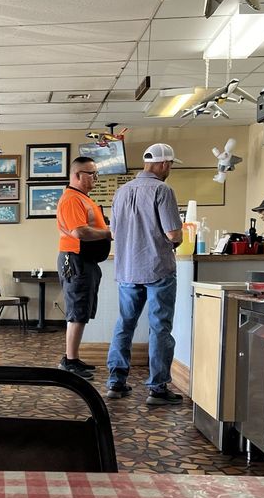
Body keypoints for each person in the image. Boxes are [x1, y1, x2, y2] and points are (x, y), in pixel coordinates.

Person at [105, 144, 185, 405]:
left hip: (127, 270)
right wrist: (178, 239)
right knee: (159, 327)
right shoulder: (163, 190)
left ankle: (116, 382)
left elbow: (114, 233)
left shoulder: (121, 191)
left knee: (125, 324)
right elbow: (173, 233)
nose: (169, 169)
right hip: (157, 268)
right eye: (170, 165)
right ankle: (157, 388)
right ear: (164, 164)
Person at [55, 156, 112, 378]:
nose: (96, 178)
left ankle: (73, 357)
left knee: (83, 310)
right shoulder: (71, 199)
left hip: (86, 261)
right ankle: (69, 362)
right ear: (77, 175)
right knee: (77, 311)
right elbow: (79, 231)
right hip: (76, 259)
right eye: (92, 174)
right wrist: (109, 233)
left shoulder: (83, 198)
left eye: (96, 173)